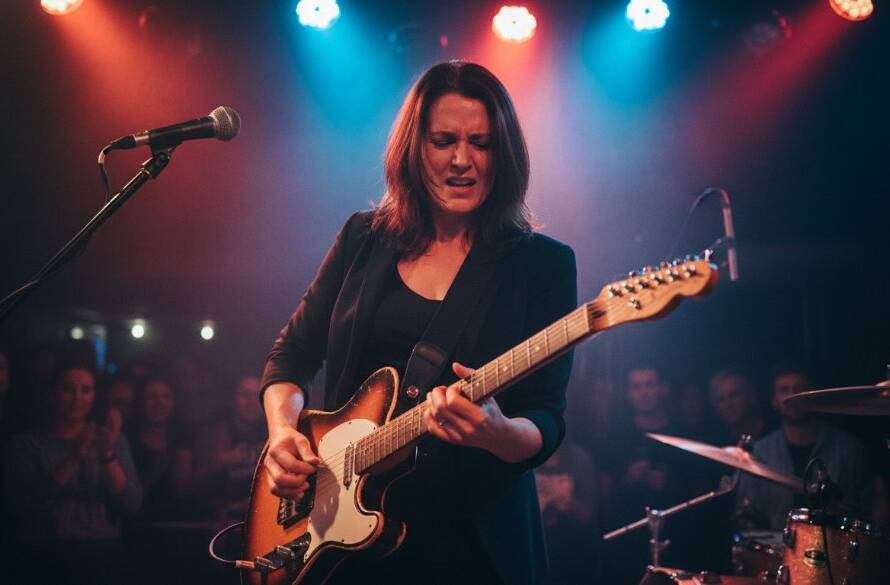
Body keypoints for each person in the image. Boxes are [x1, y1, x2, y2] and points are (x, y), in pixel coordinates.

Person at [259, 61, 576, 585]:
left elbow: (547, 419)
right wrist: (281, 434)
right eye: (443, 140)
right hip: (338, 534)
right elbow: (290, 358)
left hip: (470, 544)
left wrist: (497, 433)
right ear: (414, 148)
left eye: (481, 142)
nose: (462, 160)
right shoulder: (364, 238)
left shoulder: (541, 264)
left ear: (505, 154)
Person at [3, 362, 143, 585]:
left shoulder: (113, 440)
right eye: (68, 389)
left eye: (85, 390)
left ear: (94, 395)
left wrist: (107, 452)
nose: (77, 398)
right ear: (53, 393)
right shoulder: (27, 444)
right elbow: (25, 505)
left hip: (105, 558)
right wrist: (75, 455)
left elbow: (132, 504)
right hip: (46, 558)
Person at [735, 362, 869, 530]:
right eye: (784, 390)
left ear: (813, 394)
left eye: (800, 388)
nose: (793, 396)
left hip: (833, 551)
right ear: (774, 401)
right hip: (776, 554)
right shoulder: (758, 453)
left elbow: (863, 512)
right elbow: (747, 520)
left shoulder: (848, 449)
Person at [709, 368, 769, 444]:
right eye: (721, 399)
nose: (728, 404)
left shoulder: (780, 434)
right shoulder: (720, 444)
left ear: (752, 397)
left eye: (734, 395)